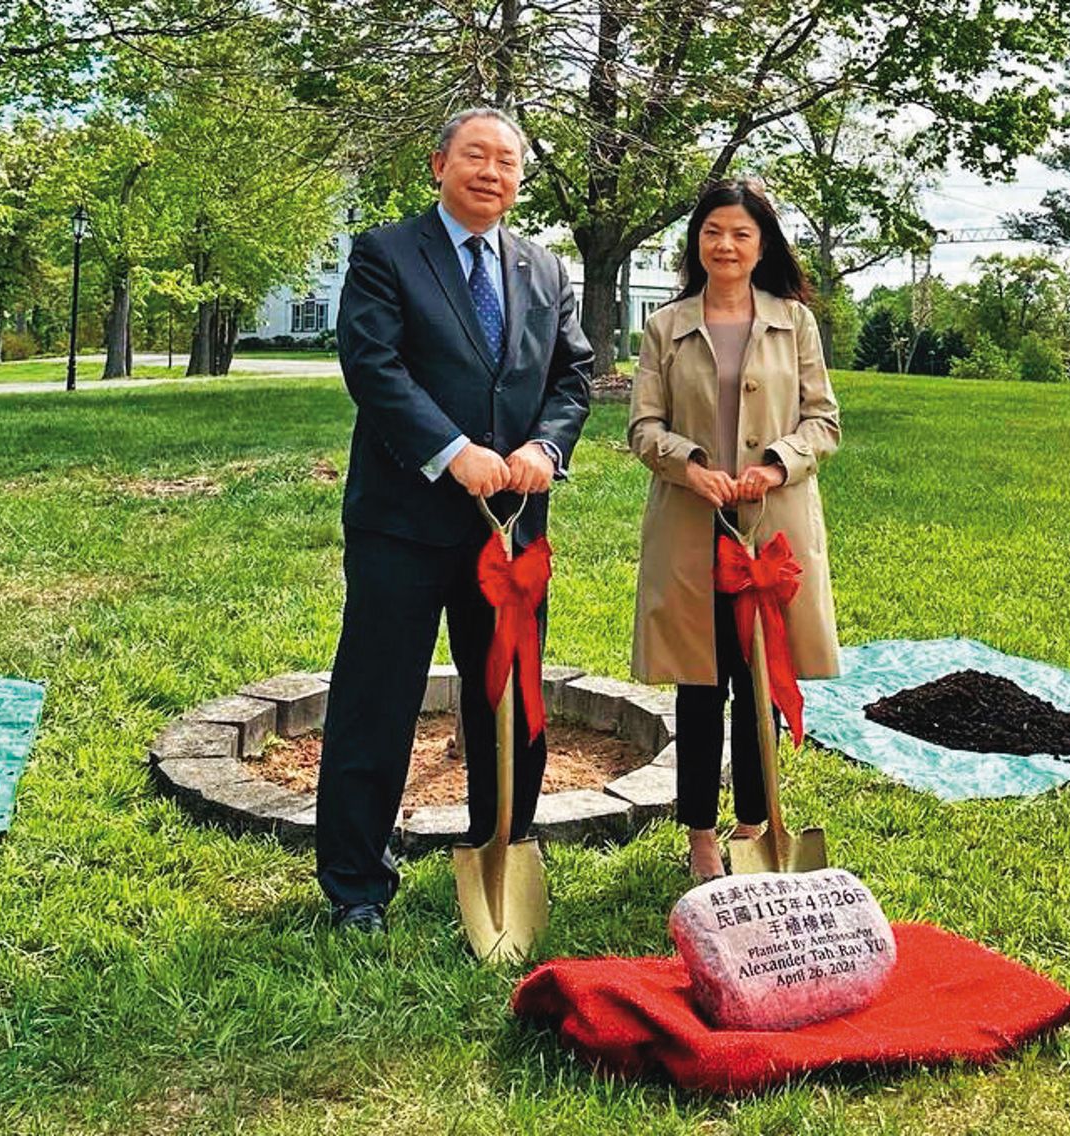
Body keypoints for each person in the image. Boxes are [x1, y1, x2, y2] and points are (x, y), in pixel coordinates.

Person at [317, 108, 592, 932]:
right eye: (476, 155)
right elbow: (373, 365)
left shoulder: (546, 269)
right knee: (378, 698)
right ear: (439, 163)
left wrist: (547, 445)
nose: (492, 171)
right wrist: (449, 448)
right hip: (402, 522)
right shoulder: (385, 253)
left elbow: (573, 376)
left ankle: (503, 844)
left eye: (508, 161)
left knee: (508, 695)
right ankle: (357, 885)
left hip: (510, 532)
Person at [628, 178, 841, 882]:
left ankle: (754, 822)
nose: (725, 244)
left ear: (762, 245)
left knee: (760, 677)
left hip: (770, 529)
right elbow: (643, 427)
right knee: (699, 683)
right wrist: (688, 464)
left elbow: (823, 423)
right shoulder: (665, 325)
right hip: (693, 529)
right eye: (713, 231)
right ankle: (698, 832)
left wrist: (777, 465)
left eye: (741, 234)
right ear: (696, 240)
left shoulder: (795, 323)